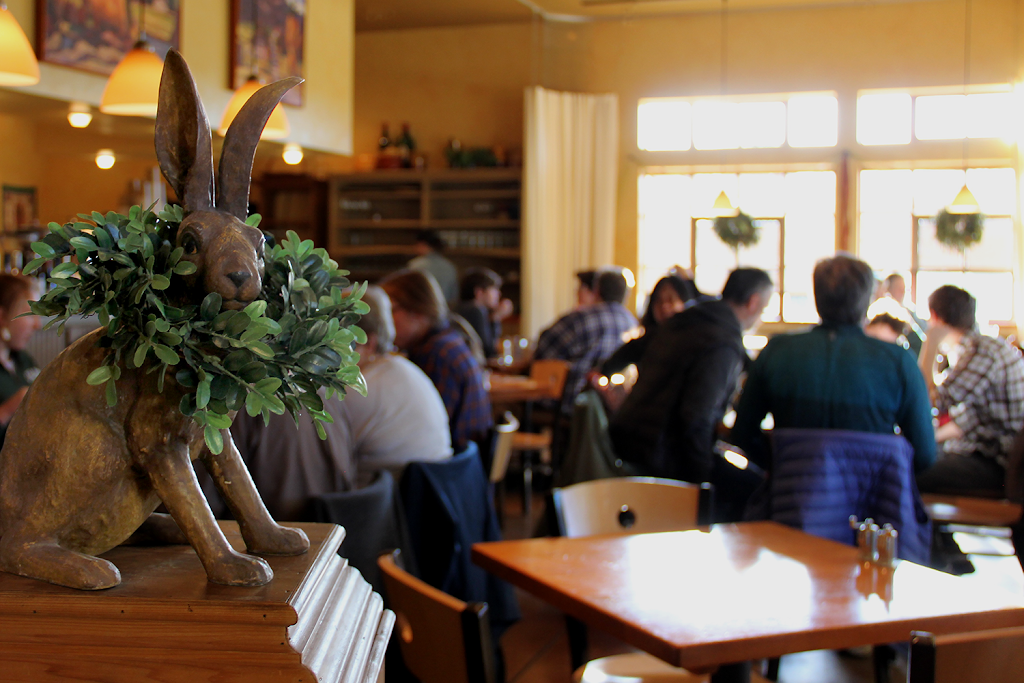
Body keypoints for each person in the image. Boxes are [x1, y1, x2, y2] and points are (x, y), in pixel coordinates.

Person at [730, 255, 936, 474]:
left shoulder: (777, 352)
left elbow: (742, 433)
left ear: (817, 298)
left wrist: (783, 464)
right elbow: (924, 454)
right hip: (870, 491)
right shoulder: (898, 361)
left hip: (793, 488)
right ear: (867, 300)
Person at [608, 268, 772, 491]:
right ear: (753, 302)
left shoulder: (690, 321)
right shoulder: (722, 341)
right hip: (660, 460)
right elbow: (696, 418)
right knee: (756, 489)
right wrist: (702, 486)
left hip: (628, 444)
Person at [917, 285, 1024, 497]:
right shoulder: (980, 348)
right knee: (913, 459)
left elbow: (928, 401)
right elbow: (968, 420)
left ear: (934, 317)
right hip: (992, 455)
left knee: (907, 471)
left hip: (995, 463)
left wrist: (931, 344)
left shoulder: (981, 352)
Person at [381, 268, 492, 451]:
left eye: (390, 311)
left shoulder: (435, 354)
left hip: (451, 462)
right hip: (466, 459)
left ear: (417, 311)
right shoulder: (448, 341)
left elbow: (427, 432)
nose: (385, 322)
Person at [534, 268, 638, 419]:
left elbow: (544, 347)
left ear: (597, 290)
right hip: (612, 407)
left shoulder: (581, 318)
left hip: (571, 404)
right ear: (626, 295)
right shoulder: (632, 323)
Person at [599, 272, 700, 377]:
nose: (664, 306)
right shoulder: (647, 341)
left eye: (670, 300)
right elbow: (609, 366)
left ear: (684, 303)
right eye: (659, 301)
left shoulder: (695, 342)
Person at [0, 274, 41, 450]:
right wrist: (8, 409)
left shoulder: (23, 359)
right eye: (29, 314)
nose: (37, 325)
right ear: (2, 316)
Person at [454, 267, 514, 359]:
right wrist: (496, 317)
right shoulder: (475, 311)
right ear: (479, 292)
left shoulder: (460, 308)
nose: (499, 294)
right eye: (494, 289)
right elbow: (489, 351)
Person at [408, 229, 458, 304]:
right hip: (443, 306)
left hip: (421, 307)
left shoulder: (415, 265)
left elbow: (409, 292)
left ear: (423, 244)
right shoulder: (449, 266)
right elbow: (453, 295)